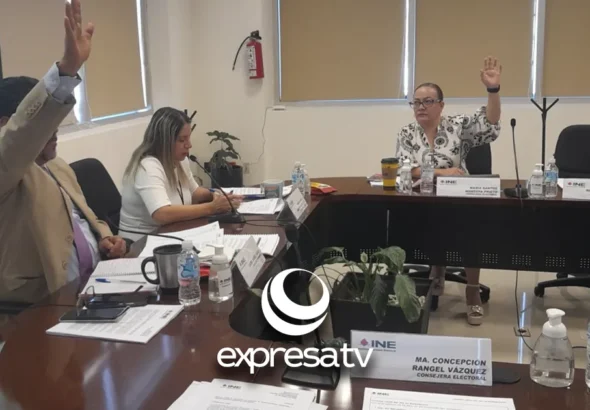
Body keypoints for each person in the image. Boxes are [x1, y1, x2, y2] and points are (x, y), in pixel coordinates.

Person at [0, 0, 128, 304]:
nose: (55, 129)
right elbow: (21, 133)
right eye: (48, 123)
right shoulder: (7, 172)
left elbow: (87, 218)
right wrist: (66, 72)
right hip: (40, 307)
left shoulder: (58, 167)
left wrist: (106, 238)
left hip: (96, 287)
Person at [395, 56, 502, 326]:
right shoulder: (407, 133)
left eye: (428, 101)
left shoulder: (457, 126)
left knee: (470, 232)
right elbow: (405, 169)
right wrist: (442, 172)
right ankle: (436, 271)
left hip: (458, 199)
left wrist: (493, 90)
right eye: (416, 102)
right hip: (422, 201)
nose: (421, 107)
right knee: (421, 228)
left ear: (441, 105)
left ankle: (472, 291)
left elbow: (490, 125)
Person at [119, 107, 242, 241]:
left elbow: (195, 192)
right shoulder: (147, 167)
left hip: (172, 233)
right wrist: (212, 208)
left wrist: (215, 194)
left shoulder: (180, 160)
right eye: (182, 140)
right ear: (163, 140)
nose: (189, 145)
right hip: (142, 243)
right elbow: (161, 214)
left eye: (188, 138)